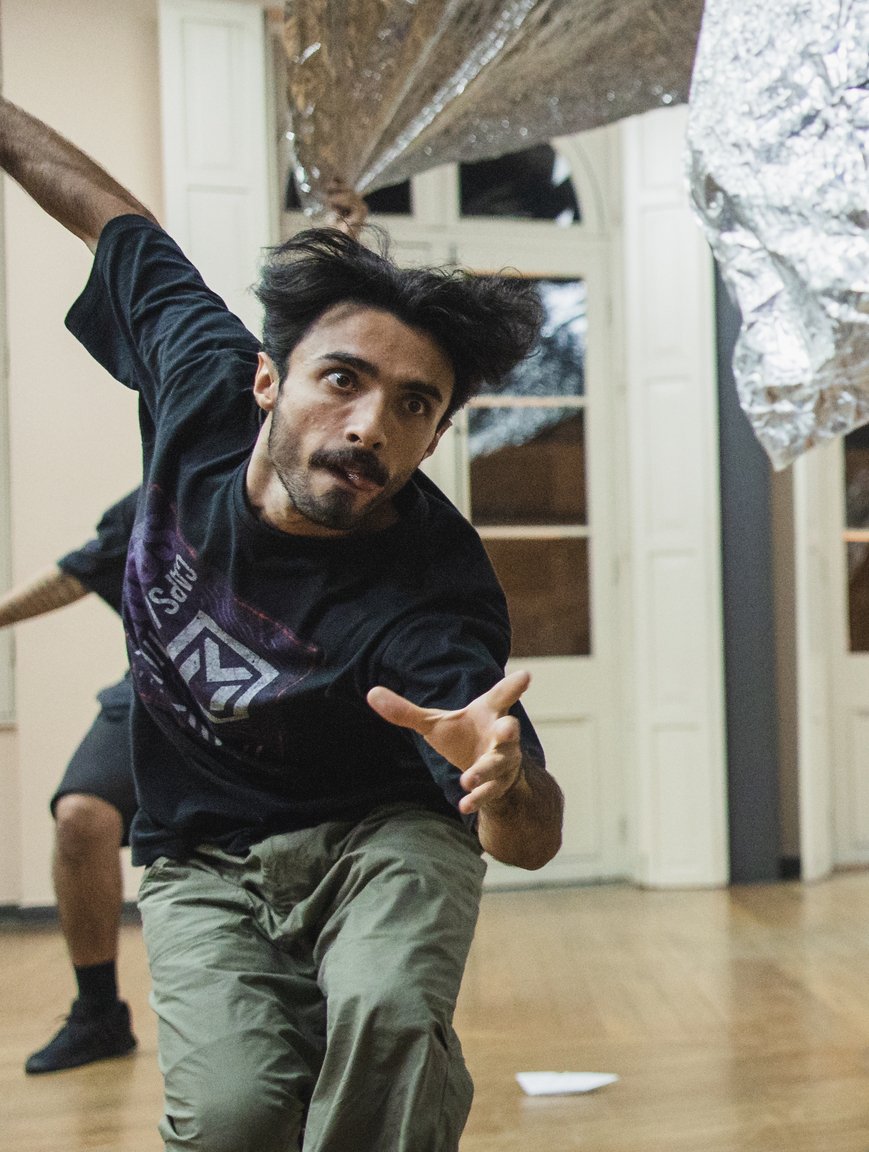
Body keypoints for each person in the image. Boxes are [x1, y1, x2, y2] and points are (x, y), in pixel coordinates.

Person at [0, 98, 565, 1149]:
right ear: (266, 380)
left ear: (434, 435)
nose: (368, 428)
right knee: (233, 1119)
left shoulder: (430, 589)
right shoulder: (200, 382)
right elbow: (105, 212)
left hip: (380, 831)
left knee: (386, 1018)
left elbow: (530, 840)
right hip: (202, 850)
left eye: (413, 406)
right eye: (342, 381)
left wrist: (506, 784)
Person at [3, 489, 141, 1073]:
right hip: (161, 685)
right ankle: (98, 1014)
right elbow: (77, 573)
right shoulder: (166, 486)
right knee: (81, 816)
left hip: (288, 686)